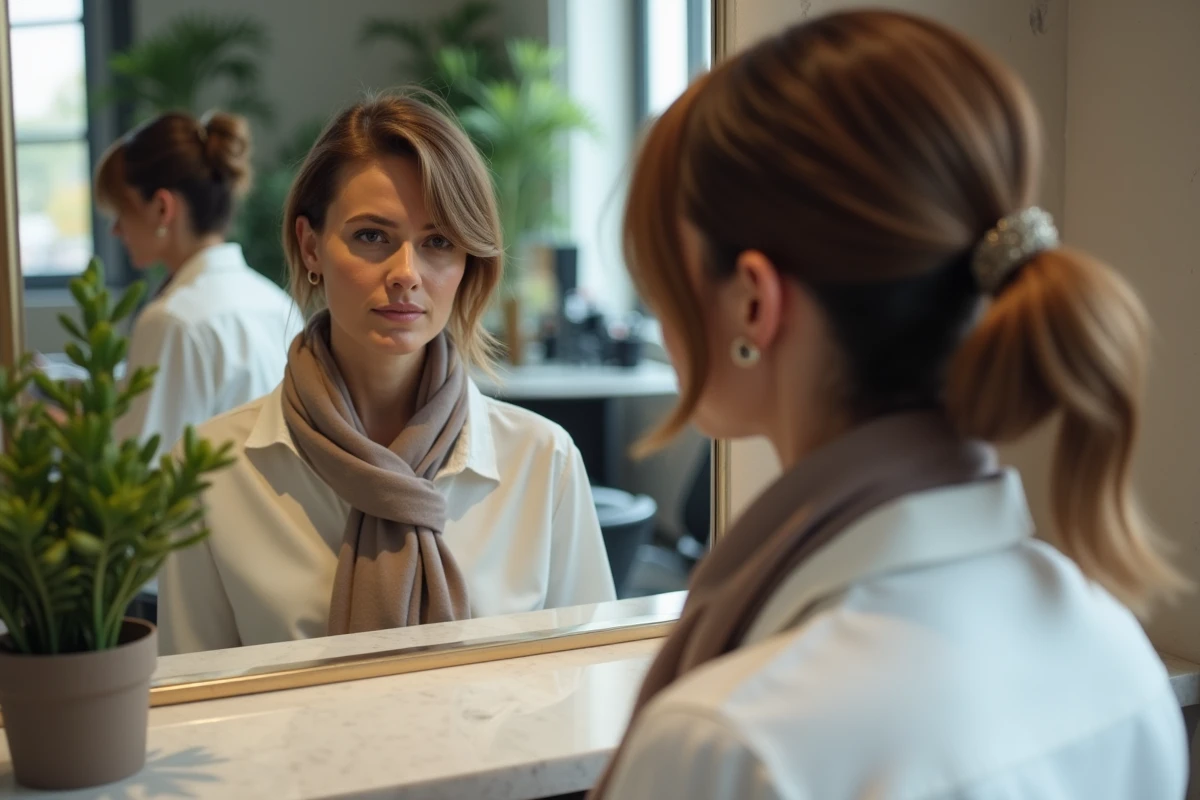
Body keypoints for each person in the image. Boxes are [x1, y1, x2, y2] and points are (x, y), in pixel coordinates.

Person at [594, 10, 1187, 800]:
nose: (660, 317)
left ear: (751, 305)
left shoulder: (734, 747)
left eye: (666, 270)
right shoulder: (1117, 656)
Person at [157, 93, 616, 655]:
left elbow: (589, 687)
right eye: (371, 236)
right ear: (311, 247)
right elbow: (199, 715)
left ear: (467, 261)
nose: (406, 274)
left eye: (438, 242)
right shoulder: (209, 472)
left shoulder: (543, 462)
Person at [95, 110, 302, 456]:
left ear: (162, 208)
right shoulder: (279, 305)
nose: (116, 230)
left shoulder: (173, 321)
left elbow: (138, 475)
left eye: (122, 212)